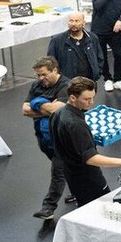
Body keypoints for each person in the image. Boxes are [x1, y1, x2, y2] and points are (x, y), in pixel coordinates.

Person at [49, 77, 121, 206]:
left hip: (70, 173)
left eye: (92, 97)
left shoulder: (57, 113)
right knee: (101, 208)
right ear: (72, 98)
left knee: (85, 206)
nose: (91, 102)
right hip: (87, 177)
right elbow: (91, 158)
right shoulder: (76, 125)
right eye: (86, 99)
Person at [23, 57, 71, 220]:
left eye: (44, 74)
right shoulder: (37, 85)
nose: (40, 78)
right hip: (43, 136)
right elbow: (25, 110)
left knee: (58, 171)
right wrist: (46, 106)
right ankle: (78, 191)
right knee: (68, 168)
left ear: (55, 70)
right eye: (38, 75)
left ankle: (48, 208)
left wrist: (37, 104)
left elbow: (58, 109)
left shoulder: (66, 85)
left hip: (62, 136)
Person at [47, 12, 104, 84]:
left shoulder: (92, 38)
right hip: (67, 83)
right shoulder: (57, 40)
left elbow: (100, 58)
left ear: (83, 23)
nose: (73, 24)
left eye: (77, 21)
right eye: (71, 21)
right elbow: (50, 62)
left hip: (89, 82)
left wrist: (97, 73)